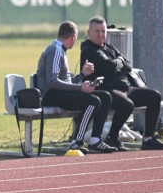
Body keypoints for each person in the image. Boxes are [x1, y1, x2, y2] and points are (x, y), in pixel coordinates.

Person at [79, 16, 163, 151]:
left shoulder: (108, 47)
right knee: (127, 105)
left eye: (103, 31)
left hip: (125, 88)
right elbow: (109, 66)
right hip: (107, 90)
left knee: (154, 96)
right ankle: (112, 137)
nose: (100, 34)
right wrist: (119, 62)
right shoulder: (89, 49)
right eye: (97, 31)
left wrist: (118, 63)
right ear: (89, 33)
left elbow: (128, 64)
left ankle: (148, 138)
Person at [36, 21, 117, 153]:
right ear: (73, 37)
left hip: (59, 92)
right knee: (94, 101)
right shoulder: (56, 50)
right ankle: (76, 142)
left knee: (105, 97)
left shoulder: (60, 49)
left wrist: (82, 75)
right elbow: (52, 82)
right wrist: (80, 88)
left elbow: (66, 81)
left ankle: (95, 140)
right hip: (51, 95)